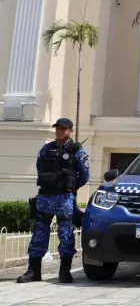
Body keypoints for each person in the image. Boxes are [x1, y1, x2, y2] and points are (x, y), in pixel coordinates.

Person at [17, 118, 90, 284]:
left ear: (70, 130)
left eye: (63, 128)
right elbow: (40, 167)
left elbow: (84, 176)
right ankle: (33, 271)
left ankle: (65, 272)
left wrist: (70, 187)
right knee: (38, 234)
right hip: (44, 197)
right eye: (57, 128)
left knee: (65, 235)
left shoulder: (78, 151)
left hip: (64, 198)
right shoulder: (46, 149)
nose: (59, 131)